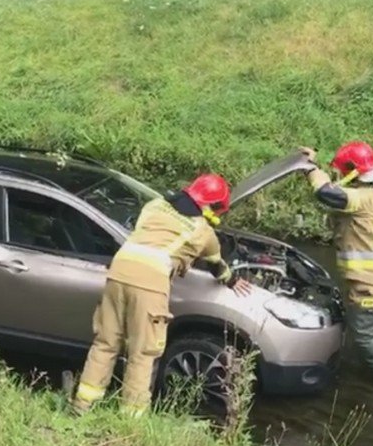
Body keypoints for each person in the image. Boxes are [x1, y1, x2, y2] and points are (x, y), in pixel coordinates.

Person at [70, 174, 253, 417]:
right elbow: (217, 265)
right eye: (218, 209)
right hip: (150, 282)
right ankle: (131, 419)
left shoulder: (154, 206)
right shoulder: (203, 231)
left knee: (105, 343)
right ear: (210, 207)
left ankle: (81, 407)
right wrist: (233, 281)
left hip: (118, 272)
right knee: (143, 352)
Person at [301, 143, 373, 386]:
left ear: (354, 170)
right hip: (368, 279)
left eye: (344, 170)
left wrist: (310, 168)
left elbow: (327, 193)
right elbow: (335, 191)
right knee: (357, 325)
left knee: (367, 337)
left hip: (370, 283)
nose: (342, 175)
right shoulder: (371, 194)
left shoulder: (364, 198)